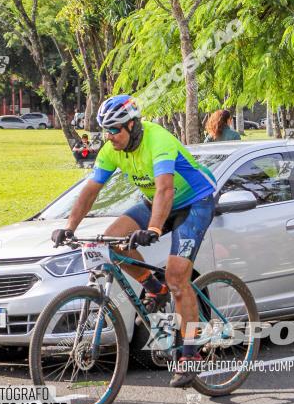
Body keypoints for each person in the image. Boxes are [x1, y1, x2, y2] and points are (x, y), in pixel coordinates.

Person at [51, 94, 218, 388]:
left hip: (194, 202)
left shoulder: (159, 140)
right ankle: (155, 289)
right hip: (156, 201)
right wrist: (69, 227)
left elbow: (165, 189)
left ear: (132, 124)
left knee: (178, 276)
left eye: (115, 130)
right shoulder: (111, 149)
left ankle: (191, 353)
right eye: (106, 130)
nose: (110, 136)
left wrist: (153, 228)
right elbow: (91, 190)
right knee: (112, 243)